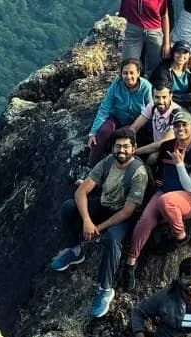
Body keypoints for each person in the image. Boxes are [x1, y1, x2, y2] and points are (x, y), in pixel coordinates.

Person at [50, 130, 148, 318]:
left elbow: (127, 211)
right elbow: (81, 192)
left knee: (112, 238)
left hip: (125, 216)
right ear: (113, 147)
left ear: (134, 149)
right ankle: (75, 251)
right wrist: (87, 221)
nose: (122, 150)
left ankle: (105, 289)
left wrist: (97, 229)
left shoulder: (138, 173)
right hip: (104, 205)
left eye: (126, 146)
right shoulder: (108, 162)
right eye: (118, 146)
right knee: (69, 207)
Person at [124, 113, 191, 282]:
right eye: (177, 125)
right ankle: (131, 263)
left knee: (166, 201)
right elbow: (156, 147)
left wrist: (179, 164)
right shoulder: (169, 146)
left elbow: (190, 186)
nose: (181, 129)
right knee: (144, 221)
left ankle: (181, 237)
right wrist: (134, 152)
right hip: (165, 191)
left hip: (190, 197)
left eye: (185, 125)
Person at [88, 59, 153, 162]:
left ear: (138, 73)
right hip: (117, 119)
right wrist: (93, 132)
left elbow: (152, 109)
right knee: (104, 132)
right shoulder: (116, 85)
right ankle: (91, 163)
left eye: (132, 73)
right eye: (125, 73)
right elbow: (105, 108)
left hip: (136, 122)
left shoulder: (146, 87)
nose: (128, 76)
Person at [156, 40, 191, 135]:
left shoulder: (189, 70)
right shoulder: (164, 71)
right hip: (170, 101)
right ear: (173, 53)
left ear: (190, 55)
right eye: (178, 52)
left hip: (188, 100)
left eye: (185, 52)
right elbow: (162, 96)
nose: (181, 55)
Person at [125, 80, 189, 153]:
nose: (160, 101)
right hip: (156, 146)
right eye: (157, 97)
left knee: (152, 158)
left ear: (170, 96)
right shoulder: (152, 106)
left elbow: (164, 143)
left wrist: (134, 152)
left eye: (164, 97)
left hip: (172, 151)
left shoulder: (177, 114)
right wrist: (126, 145)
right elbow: (134, 127)